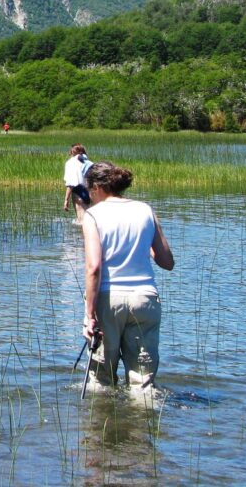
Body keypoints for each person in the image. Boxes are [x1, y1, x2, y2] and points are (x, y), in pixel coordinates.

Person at [81, 161, 175, 392]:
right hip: (145, 299)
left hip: (108, 300)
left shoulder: (92, 215)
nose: (89, 196)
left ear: (96, 187)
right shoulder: (145, 210)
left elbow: (94, 267)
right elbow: (167, 262)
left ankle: (102, 415)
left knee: (101, 380)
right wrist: (143, 245)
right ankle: (142, 415)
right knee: (143, 382)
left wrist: (89, 315)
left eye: (89, 190)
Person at [63, 144, 94, 225]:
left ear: (71, 152)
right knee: (89, 220)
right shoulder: (87, 162)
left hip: (78, 193)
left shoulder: (70, 163)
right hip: (90, 193)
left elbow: (71, 183)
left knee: (82, 222)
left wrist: (66, 200)